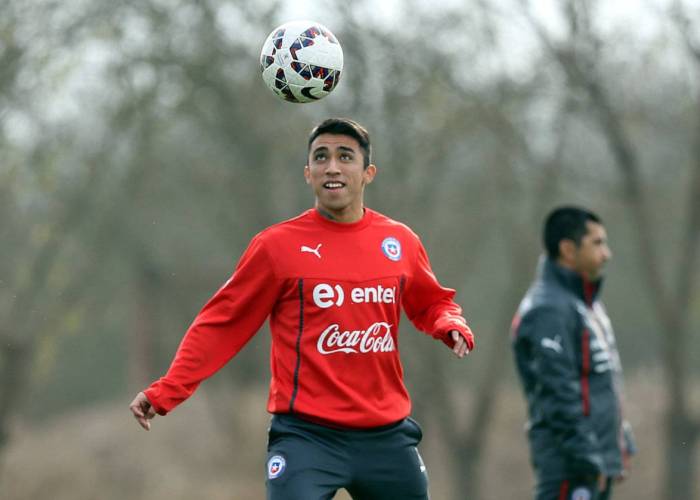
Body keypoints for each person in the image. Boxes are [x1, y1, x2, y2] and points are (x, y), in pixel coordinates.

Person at [129, 117, 475, 500]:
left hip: (385, 436)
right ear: (308, 173)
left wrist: (448, 323)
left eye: (345, 156)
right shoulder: (276, 247)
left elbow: (432, 301)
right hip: (307, 438)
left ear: (368, 173)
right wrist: (168, 390)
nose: (332, 167)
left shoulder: (400, 241)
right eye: (321, 157)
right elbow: (221, 324)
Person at [511, 206, 636, 500]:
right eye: (597, 243)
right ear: (568, 249)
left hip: (593, 462)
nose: (607, 254)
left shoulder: (584, 303)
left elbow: (599, 381)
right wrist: (587, 456)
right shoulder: (548, 310)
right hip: (571, 466)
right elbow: (558, 393)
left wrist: (619, 440)